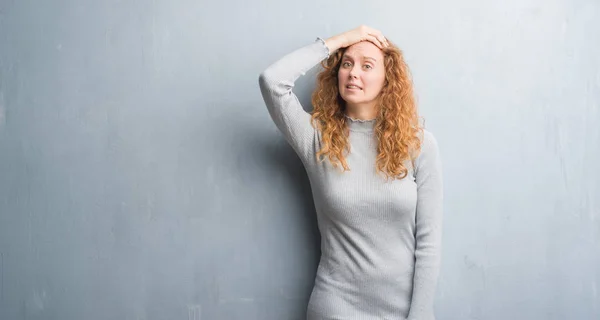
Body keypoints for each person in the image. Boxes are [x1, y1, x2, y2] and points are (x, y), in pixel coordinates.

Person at [258, 25, 443, 320]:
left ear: (388, 80)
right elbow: (272, 81)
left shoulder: (419, 145)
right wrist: (341, 41)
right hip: (336, 307)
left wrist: (420, 314)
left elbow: (429, 241)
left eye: (367, 66)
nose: (354, 72)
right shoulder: (316, 138)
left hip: (404, 311)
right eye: (347, 64)